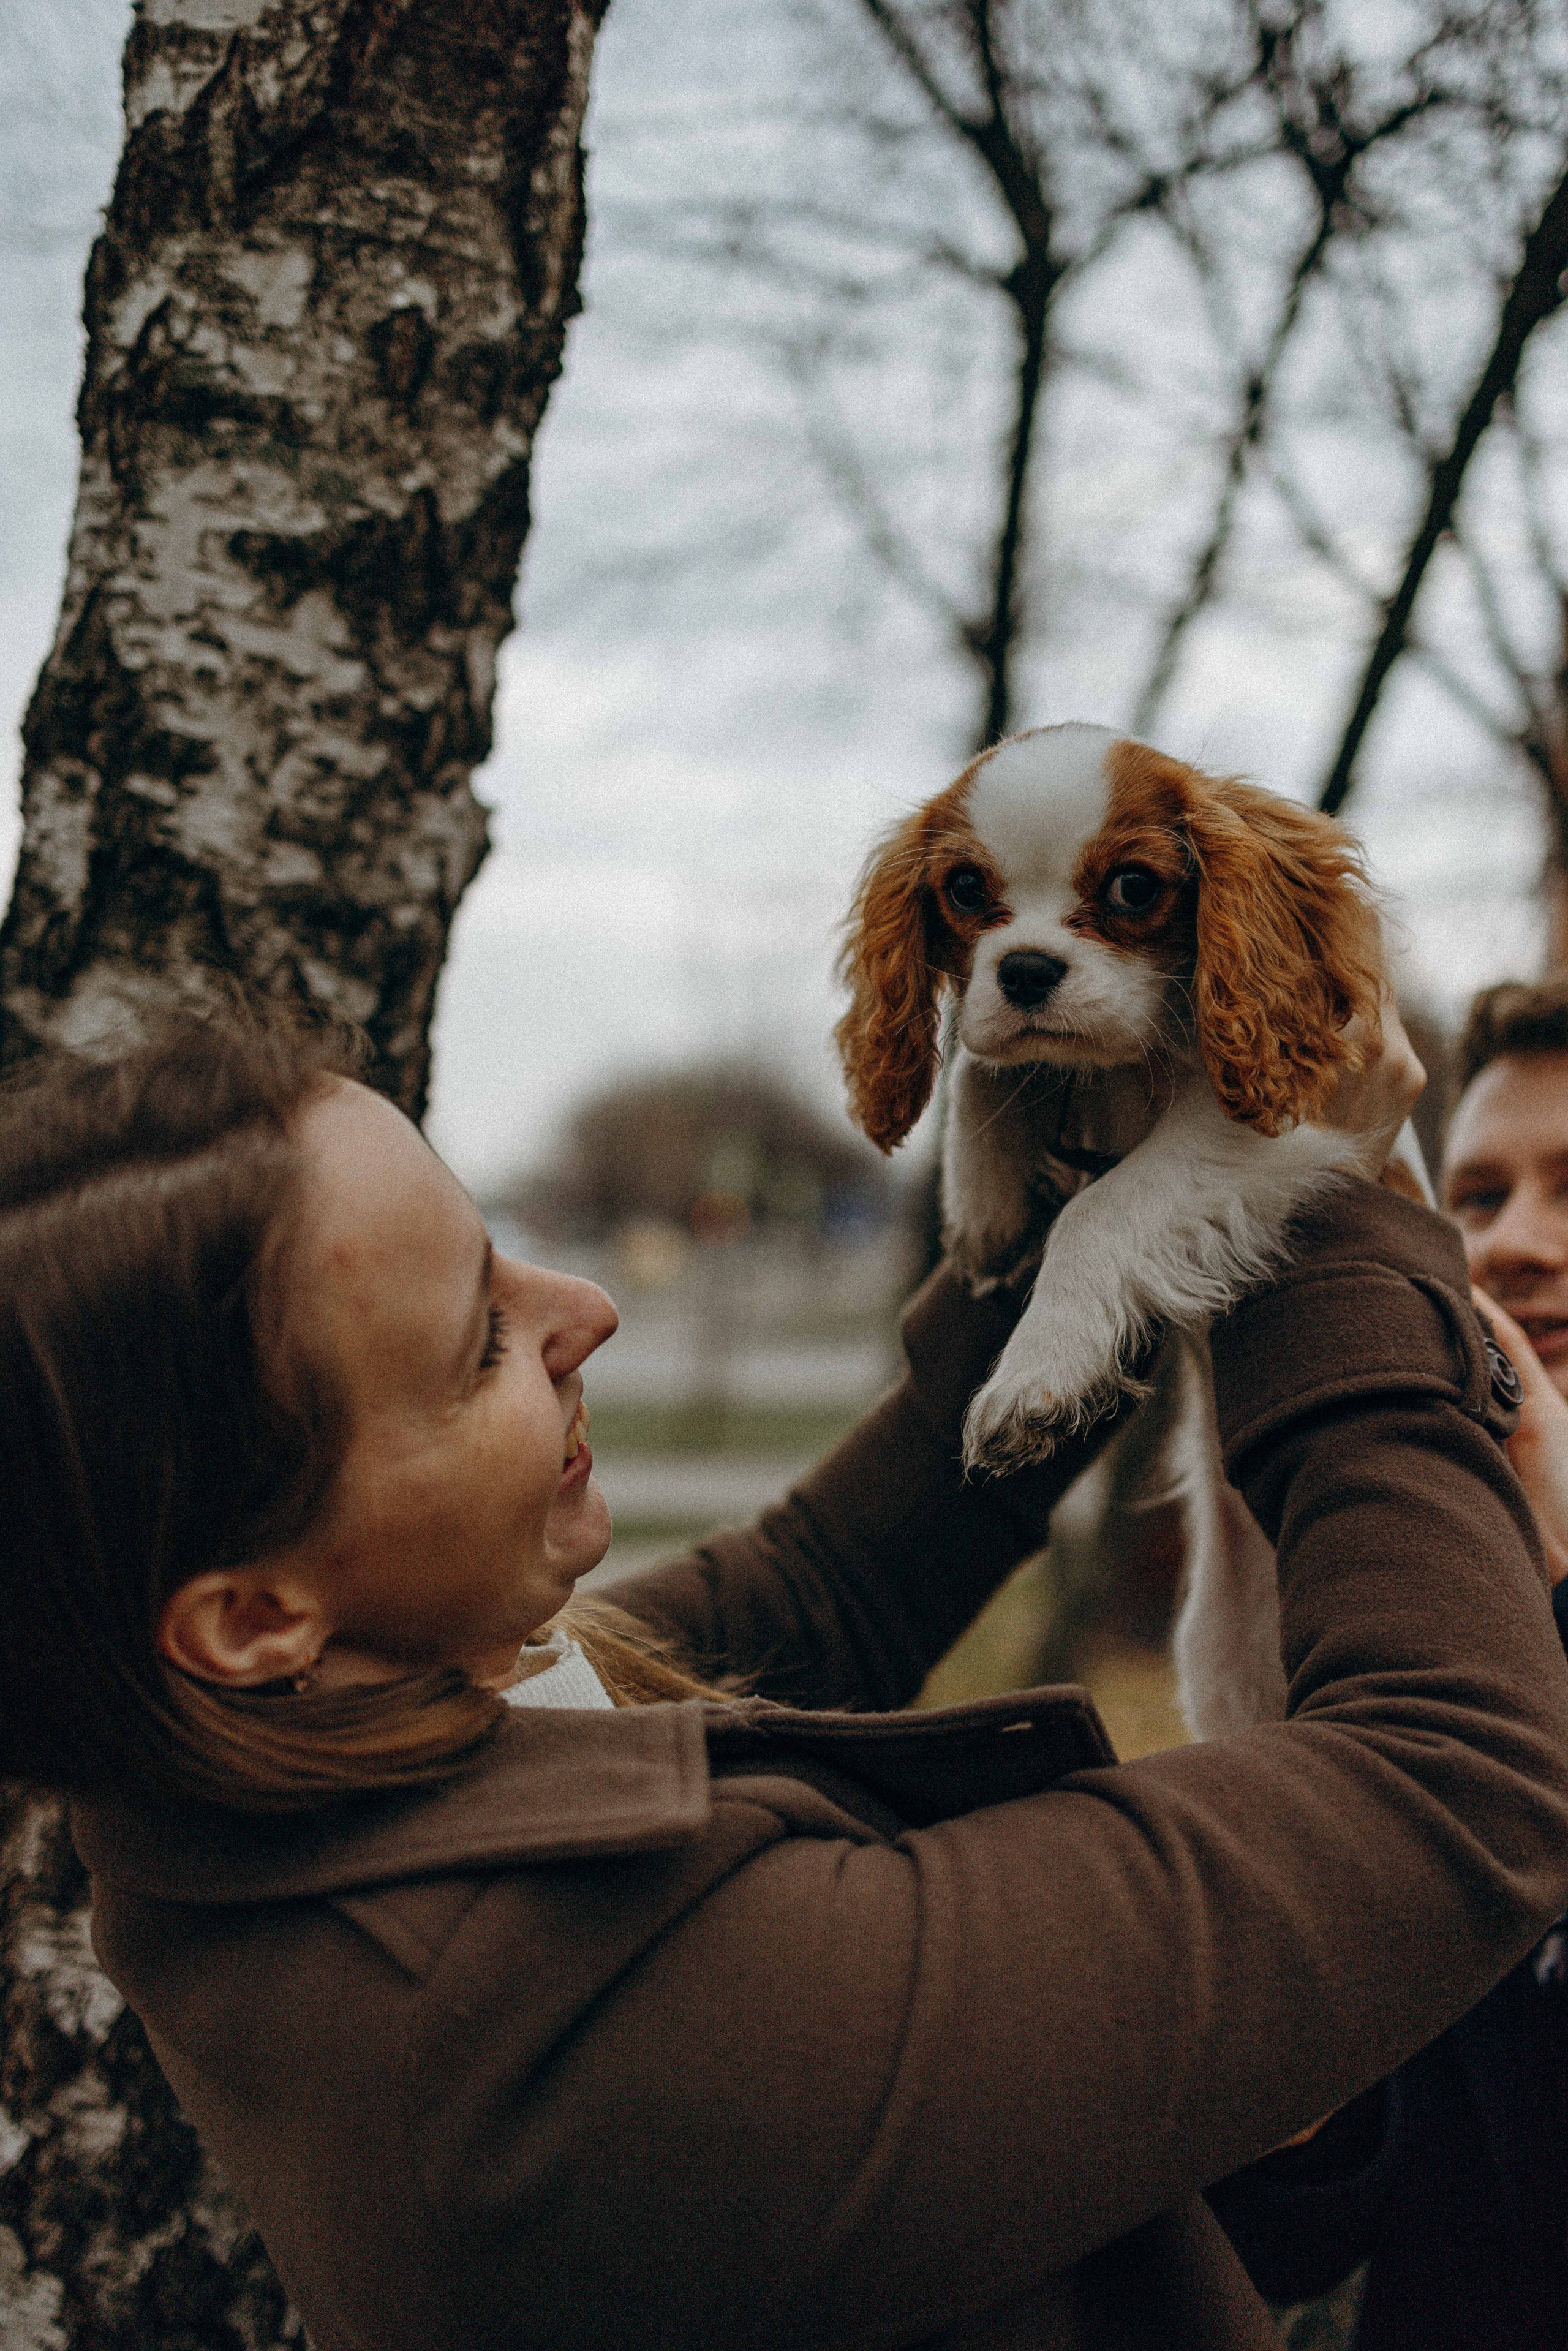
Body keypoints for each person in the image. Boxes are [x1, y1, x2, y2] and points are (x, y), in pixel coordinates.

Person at [4, 1002, 1568, 2351]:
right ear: (252, 1615)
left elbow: (822, 1585)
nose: (587, 1310)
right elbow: (1454, 1773)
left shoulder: (325, 1759)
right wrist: (1314, 1185)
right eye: (478, 1340)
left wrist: (1094, 1192)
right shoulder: (576, 2048)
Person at [1208, 976, 1568, 2351]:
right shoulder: (1391, 1620)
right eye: (1472, 1198)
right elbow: (1289, 2236)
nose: (1514, 1244)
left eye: (1564, 1189)